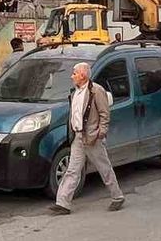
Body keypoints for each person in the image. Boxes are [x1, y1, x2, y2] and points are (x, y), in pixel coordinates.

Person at [50, 62, 125, 214]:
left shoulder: (96, 91)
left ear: (83, 75)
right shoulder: (75, 92)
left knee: (104, 168)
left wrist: (100, 133)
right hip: (77, 137)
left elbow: (104, 114)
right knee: (72, 170)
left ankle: (117, 196)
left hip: (92, 137)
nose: (72, 76)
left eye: (74, 73)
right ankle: (63, 204)